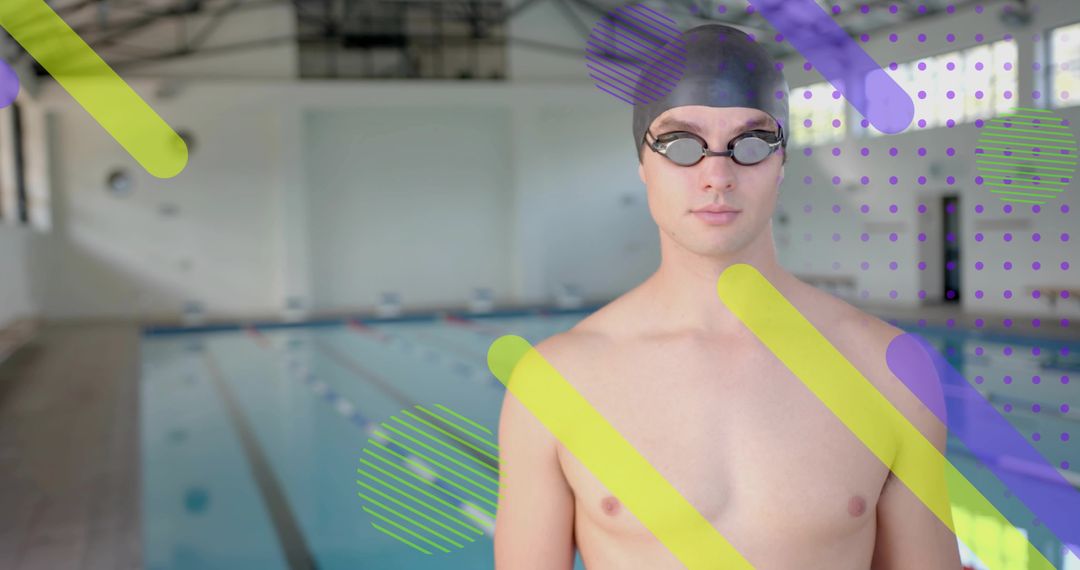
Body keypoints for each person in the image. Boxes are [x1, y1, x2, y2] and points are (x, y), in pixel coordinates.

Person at [494, 23, 962, 569]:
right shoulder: (553, 382)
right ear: (642, 164)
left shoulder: (890, 370)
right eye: (681, 144)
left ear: (782, 161)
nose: (717, 175)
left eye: (752, 143)